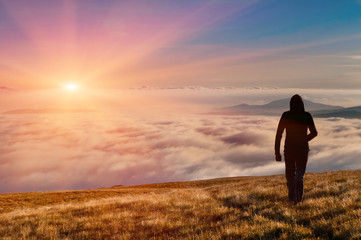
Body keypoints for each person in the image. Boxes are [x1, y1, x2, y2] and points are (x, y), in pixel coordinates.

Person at [275, 94, 318, 204]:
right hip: (301, 150)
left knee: (292, 177)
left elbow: (279, 134)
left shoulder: (286, 115)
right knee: (297, 177)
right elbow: (314, 133)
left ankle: (294, 200)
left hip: (290, 150)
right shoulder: (306, 115)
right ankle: (295, 200)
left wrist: (277, 152)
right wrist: (304, 139)